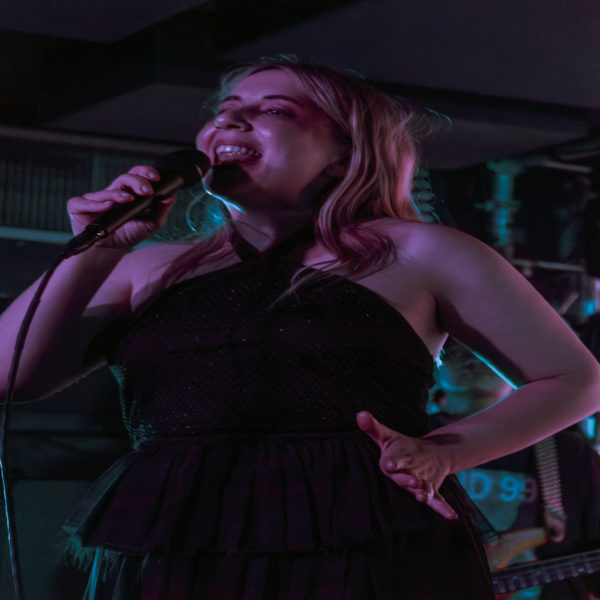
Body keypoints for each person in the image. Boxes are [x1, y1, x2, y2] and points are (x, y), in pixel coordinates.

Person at [1, 58, 599, 600]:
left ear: (344, 153)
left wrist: (445, 454)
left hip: (355, 532)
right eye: (225, 111)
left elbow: (575, 379)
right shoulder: (147, 267)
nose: (230, 121)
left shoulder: (419, 252)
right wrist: (97, 247)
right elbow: (9, 376)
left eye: (274, 111)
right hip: (181, 532)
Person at [431, 339, 600, 599]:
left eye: (486, 346)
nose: (472, 355)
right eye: (454, 347)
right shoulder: (408, 441)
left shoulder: (568, 452)